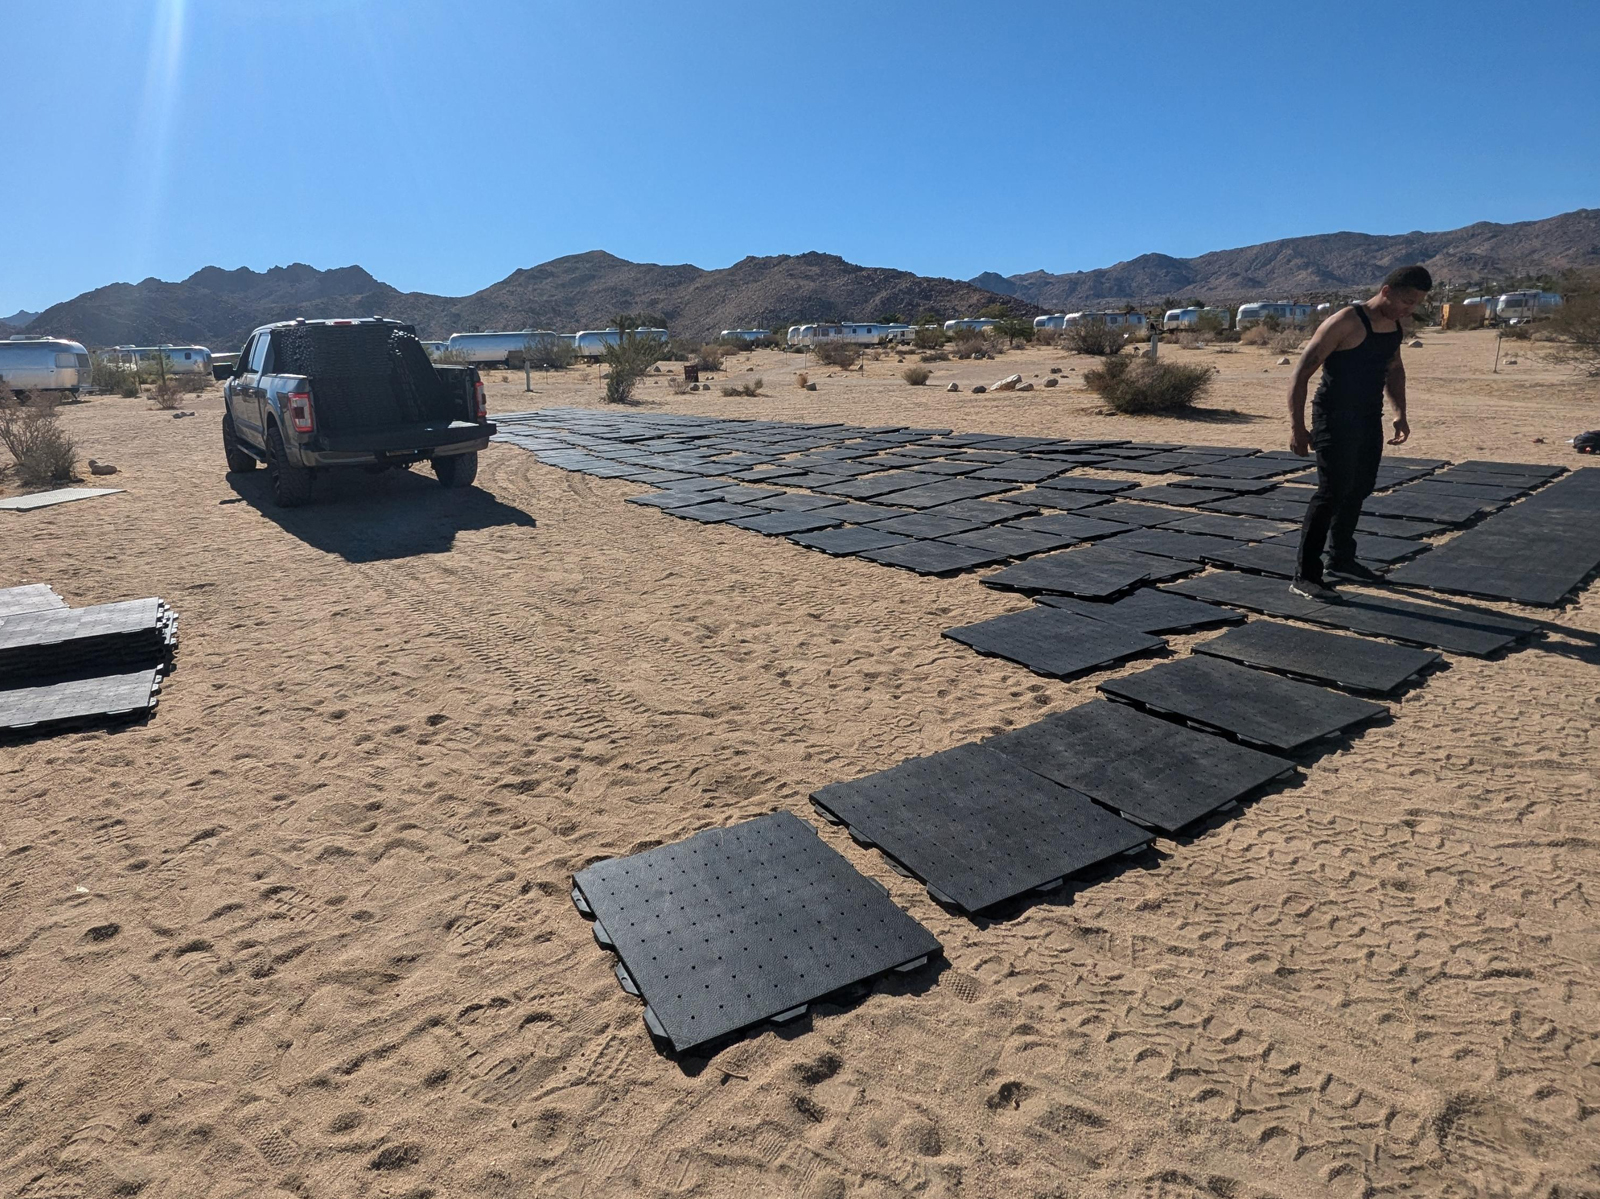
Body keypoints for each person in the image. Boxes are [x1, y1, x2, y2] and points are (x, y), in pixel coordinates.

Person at [1286, 265, 1432, 602]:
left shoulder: (1394, 324)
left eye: (1415, 305)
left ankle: (1341, 559)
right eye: (1406, 302)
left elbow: (1394, 369)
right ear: (1386, 291)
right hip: (1333, 418)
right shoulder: (1344, 323)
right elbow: (1300, 374)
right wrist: (1297, 427)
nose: (1409, 310)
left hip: (1369, 417)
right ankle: (1305, 575)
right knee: (1331, 492)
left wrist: (1400, 414)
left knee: (1360, 487)